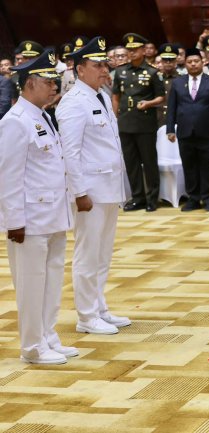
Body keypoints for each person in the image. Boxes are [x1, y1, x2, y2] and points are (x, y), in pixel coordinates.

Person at [0, 50, 75, 364]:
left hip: (53, 215)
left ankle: (47, 336)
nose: (55, 85)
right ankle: (32, 346)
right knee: (31, 285)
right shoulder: (15, 122)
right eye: (49, 80)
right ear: (29, 84)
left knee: (51, 280)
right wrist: (13, 221)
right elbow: (8, 175)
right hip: (29, 221)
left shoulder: (43, 114)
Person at [56, 36, 130, 335]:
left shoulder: (99, 95)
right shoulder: (74, 102)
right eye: (98, 65)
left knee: (103, 253)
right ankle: (86, 316)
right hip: (90, 191)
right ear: (79, 69)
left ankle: (99, 307)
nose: (105, 70)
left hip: (108, 186)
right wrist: (79, 193)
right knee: (88, 254)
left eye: (105, 64)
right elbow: (70, 153)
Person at [166, 48, 209, 212]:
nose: (193, 64)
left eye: (196, 61)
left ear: (202, 62)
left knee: (208, 164)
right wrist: (170, 129)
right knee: (189, 165)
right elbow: (172, 107)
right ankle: (193, 198)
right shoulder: (178, 82)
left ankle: (208, 198)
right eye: (189, 62)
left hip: (207, 131)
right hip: (185, 132)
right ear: (185, 64)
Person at [112, 33, 164, 212]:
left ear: (143, 50)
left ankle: (152, 198)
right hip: (125, 122)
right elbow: (116, 96)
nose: (132, 53)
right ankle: (137, 197)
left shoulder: (152, 72)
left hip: (145, 122)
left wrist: (149, 103)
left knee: (149, 162)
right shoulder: (120, 71)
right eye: (129, 50)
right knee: (131, 163)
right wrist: (115, 117)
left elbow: (161, 97)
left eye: (135, 50)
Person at [156, 43, 180, 127]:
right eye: (165, 59)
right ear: (161, 61)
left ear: (176, 60)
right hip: (157, 119)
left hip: (177, 119)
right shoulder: (155, 78)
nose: (168, 62)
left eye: (171, 59)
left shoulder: (183, 79)